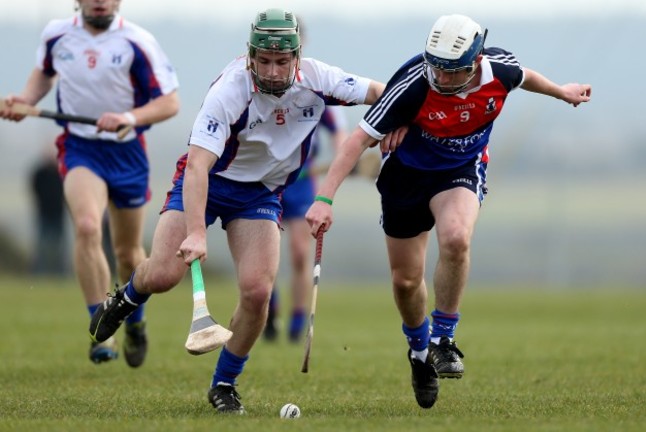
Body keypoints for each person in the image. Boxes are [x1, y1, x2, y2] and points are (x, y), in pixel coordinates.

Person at [88, 8, 384, 414]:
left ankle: (224, 384)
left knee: (258, 291)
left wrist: (396, 125)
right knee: (163, 274)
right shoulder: (230, 89)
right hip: (208, 183)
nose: (274, 71)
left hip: (260, 195)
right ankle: (124, 299)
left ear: (297, 58)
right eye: (264, 61)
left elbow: (383, 93)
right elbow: (196, 166)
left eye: (282, 62)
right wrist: (195, 231)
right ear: (250, 56)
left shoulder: (319, 78)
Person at [305, 14, 591, 409]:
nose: (441, 77)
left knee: (456, 237)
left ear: (475, 61)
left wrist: (562, 91)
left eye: (452, 71)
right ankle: (419, 352)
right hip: (406, 177)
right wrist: (325, 198)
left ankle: (444, 338)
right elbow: (358, 140)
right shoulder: (414, 84)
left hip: (460, 170)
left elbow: (525, 76)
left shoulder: (498, 69)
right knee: (406, 282)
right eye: (436, 66)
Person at [1, 0, 180, 367]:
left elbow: (170, 102)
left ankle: (136, 323)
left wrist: (129, 116)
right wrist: (25, 99)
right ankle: (104, 331)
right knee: (85, 226)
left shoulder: (137, 41)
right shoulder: (57, 35)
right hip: (80, 148)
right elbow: (44, 74)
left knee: (129, 253)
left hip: (127, 153)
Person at [264, 105, 349, 342]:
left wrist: (342, 161)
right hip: (268, 179)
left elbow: (338, 132)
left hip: (302, 184)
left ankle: (298, 317)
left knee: (300, 253)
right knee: (265, 252)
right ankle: (269, 309)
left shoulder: (322, 98)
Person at [30, 145, 67, 276]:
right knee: (41, 244)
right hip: (44, 213)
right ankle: (39, 271)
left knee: (60, 244)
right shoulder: (39, 173)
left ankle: (61, 272)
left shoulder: (60, 173)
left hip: (58, 213)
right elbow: (34, 189)